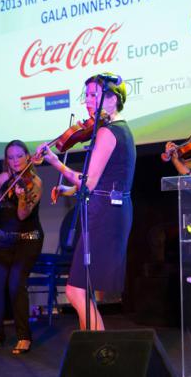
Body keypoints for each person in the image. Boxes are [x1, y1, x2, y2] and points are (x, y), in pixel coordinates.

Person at [37, 72, 135, 330]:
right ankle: (92, 352)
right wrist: (69, 189)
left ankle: (100, 353)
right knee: (82, 289)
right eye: (87, 95)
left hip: (105, 214)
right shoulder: (120, 130)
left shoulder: (108, 132)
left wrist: (56, 163)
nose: (87, 101)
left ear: (113, 99)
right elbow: (103, 181)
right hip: (109, 209)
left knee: (74, 291)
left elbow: (90, 181)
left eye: (94, 95)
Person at [0, 140, 43, 354]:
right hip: (4, 240)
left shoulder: (35, 182)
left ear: (27, 156)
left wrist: (22, 197)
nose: (15, 161)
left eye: (19, 156)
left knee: (15, 284)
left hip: (28, 240)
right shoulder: (4, 178)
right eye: (10, 157)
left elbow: (23, 215)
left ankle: (24, 336)